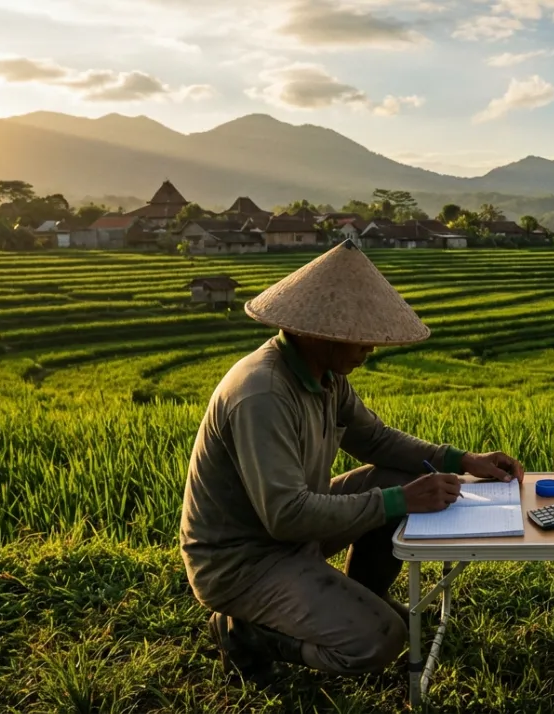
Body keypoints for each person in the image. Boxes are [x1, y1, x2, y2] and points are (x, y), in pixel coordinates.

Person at [178, 240, 525, 683]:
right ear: (316, 333)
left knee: (400, 475)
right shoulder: (263, 394)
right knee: (380, 639)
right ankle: (242, 633)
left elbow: (375, 440)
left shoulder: (325, 376)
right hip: (244, 560)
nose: (370, 348)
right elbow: (285, 515)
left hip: (292, 533)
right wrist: (400, 500)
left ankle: (359, 595)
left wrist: (461, 459)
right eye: (359, 336)